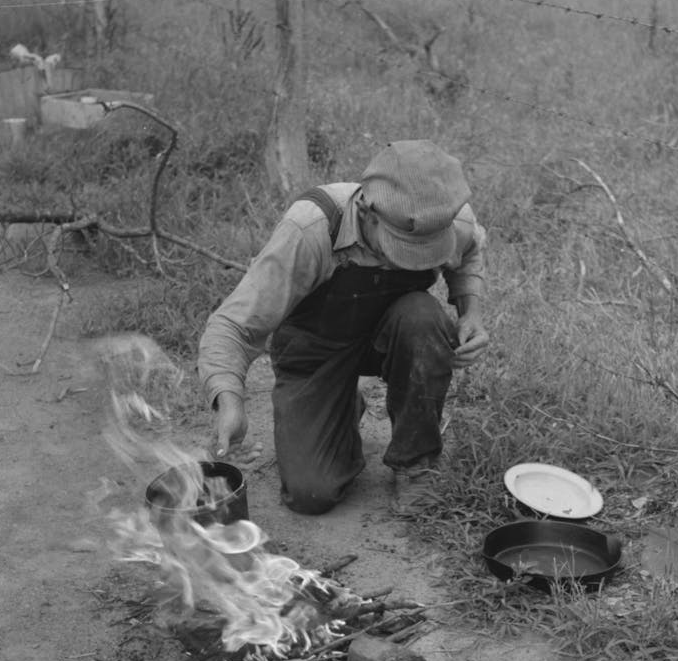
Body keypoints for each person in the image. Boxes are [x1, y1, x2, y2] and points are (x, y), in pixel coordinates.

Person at [198, 139, 488, 515]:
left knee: (423, 317)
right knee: (311, 494)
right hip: (315, 347)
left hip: (392, 334)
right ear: (367, 212)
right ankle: (339, 404)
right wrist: (230, 402)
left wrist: (470, 312)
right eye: (402, 249)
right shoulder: (312, 228)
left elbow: (469, 251)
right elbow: (232, 325)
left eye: (425, 253)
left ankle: (416, 462)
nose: (411, 263)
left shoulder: (446, 218)